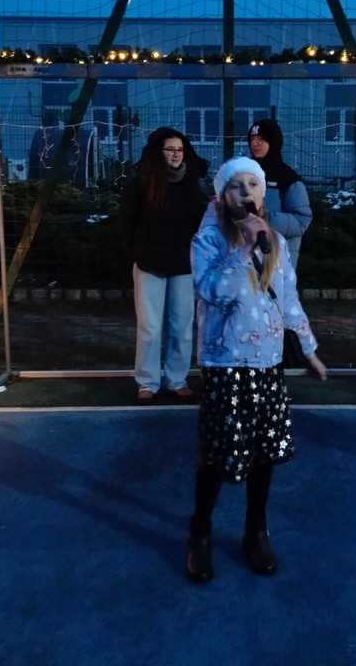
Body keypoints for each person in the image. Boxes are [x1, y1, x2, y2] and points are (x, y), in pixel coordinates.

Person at [185, 155, 327, 583]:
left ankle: (256, 530)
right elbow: (212, 290)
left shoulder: (276, 242)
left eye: (253, 185)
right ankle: (200, 534)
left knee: (264, 451)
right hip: (225, 364)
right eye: (236, 186)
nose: (245, 192)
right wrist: (243, 249)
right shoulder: (208, 240)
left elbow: (289, 299)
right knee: (218, 452)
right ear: (221, 195)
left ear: (263, 194)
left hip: (267, 365)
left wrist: (308, 348)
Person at [120, 127, 208, 402]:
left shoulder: (190, 185)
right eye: (170, 149)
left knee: (181, 326)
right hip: (149, 266)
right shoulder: (140, 185)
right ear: (159, 153)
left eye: (180, 150)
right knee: (150, 327)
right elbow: (127, 223)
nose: (176, 154)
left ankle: (177, 379)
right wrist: (137, 254)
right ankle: (147, 382)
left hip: (183, 266)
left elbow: (200, 223)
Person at [246, 118, 312, 269]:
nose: (255, 143)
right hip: (246, 258)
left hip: (278, 262)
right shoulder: (244, 174)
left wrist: (267, 218)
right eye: (252, 139)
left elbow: (302, 221)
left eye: (261, 139)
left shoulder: (288, 178)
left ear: (273, 142)